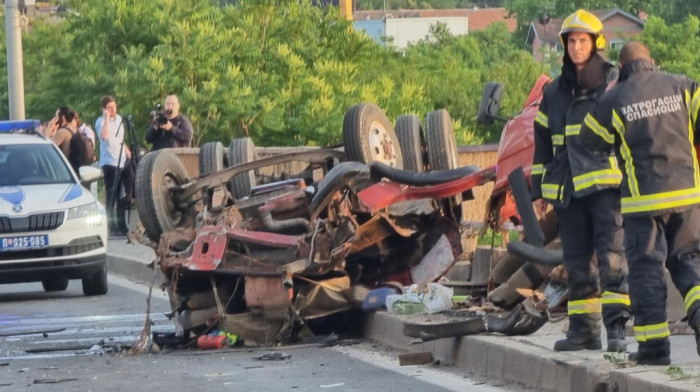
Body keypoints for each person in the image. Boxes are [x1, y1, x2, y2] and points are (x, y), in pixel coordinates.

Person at [580, 41, 700, 365]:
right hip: (687, 197)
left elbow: (590, 140)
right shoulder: (683, 85)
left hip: (642, 204)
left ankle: (654, 349)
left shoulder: (615, 97)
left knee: (647, 274)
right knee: (690, 263)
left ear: (621, 69)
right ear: (652, 62)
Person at [531, 9, 630, 353]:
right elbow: (543, 141)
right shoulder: (555, 91)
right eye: (571, 41)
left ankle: (616, 330)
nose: (576, 47)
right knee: (576, 263)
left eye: (582, 41)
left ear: (596, 44)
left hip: (606, 188)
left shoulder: (614, 83)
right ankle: (584, 332)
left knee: (612, 258)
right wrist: (539, 191)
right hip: (568, 189)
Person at [96, 95, 132, 237]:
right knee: (112, 194)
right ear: (104, 109)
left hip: (122, 160)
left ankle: (122, 225)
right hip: (110, 162)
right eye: (109, 107)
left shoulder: (118, 119)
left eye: (114, 107)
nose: (112, 110)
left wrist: (127, 150)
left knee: (123, 195)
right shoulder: (100, 121)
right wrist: (106, 118)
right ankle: (111, 226)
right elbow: (104, 136)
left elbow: (120, 139)